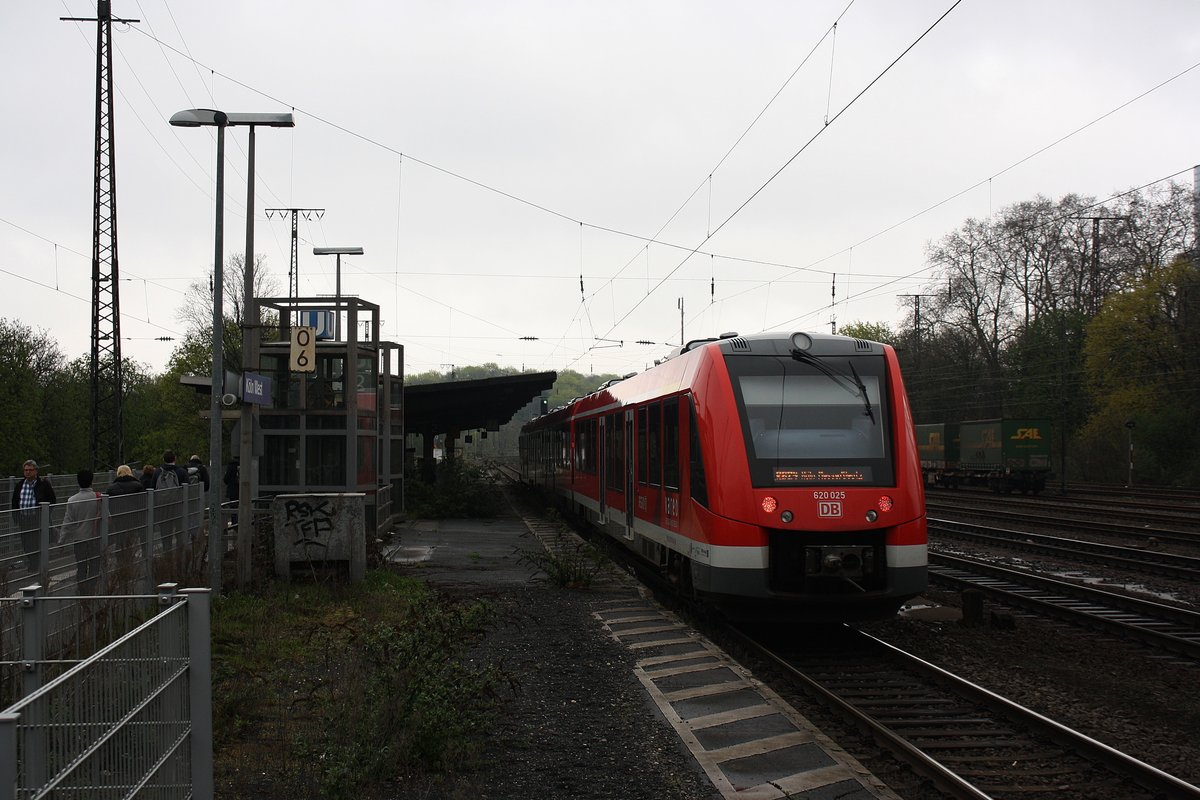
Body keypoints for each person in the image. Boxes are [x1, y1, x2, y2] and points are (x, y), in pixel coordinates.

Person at [58, 469, 102, 593]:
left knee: (81, 566)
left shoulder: (72, 500)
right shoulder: (98, 498)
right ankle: (92, 589)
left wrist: (61, 541)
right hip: (95, 537)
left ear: (78, 482)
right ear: (91, 481)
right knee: (94, 565)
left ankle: (82, 591)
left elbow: (67, 522)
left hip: (79, 539)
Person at [10, 459, 57, 574]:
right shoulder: (20, 485)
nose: (28, 472)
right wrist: (16, 516)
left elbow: (52, 500)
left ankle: (35, 566)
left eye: (30, 470)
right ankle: (33, 563)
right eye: (26, 470)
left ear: (36, 471)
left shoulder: (43, 484)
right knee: (26, 543)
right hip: (24, 519)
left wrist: (46, 514)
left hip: (37, 519)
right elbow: (15, 501)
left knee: (36, 543)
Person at [153, 451, 190, 565]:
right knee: (180, 533)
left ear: (163, 459)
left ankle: (167, 557)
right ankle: (180, 558)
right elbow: (187, 489)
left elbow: (152, 488)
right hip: (178, 507)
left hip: (162, 508)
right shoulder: (181, 472)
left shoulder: (157, 472)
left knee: (165, 534)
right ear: (175, 459)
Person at [107, 464, 147, 562]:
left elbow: (107, 504)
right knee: (131, 538)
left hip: (118, 517)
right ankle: (129, 560)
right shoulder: (138, 486)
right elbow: (143, 503)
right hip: (133, 517)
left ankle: (120, 560)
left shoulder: (111, 488)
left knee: (120, 538)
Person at [223, 458, 239, 527]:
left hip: (232, 489)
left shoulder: (230, 467)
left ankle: (234, 522)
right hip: (241, 489)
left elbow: (226, 479)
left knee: (233, 506)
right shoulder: (241, 466)